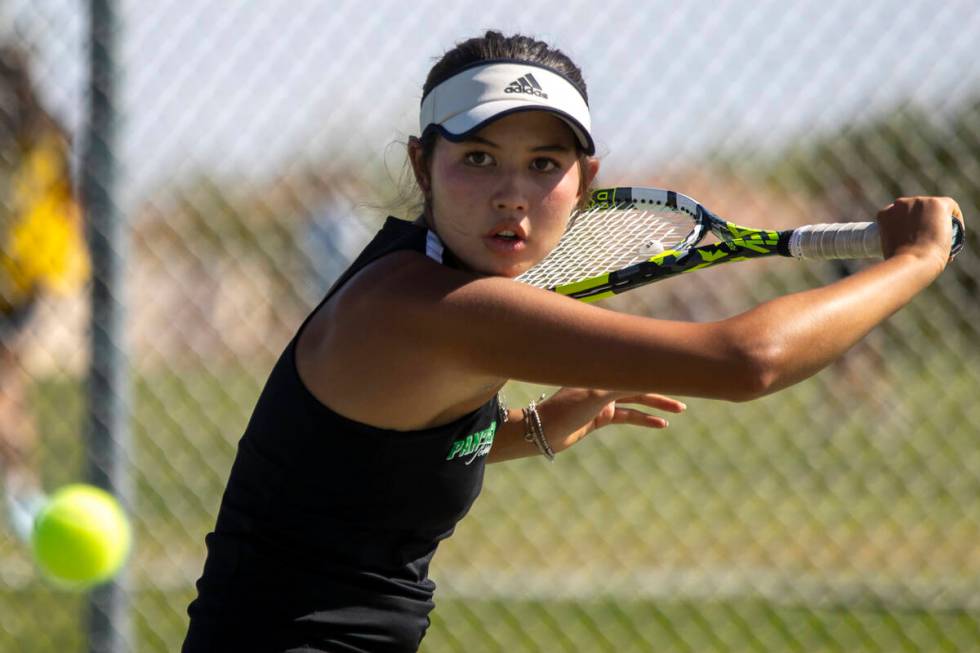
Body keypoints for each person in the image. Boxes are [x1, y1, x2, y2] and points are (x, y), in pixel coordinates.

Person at [182, 31, 964, 652]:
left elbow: (362, 457)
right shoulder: (427, 306)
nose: (511, 194)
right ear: (423, 162)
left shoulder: (425, 275)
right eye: (478, 158)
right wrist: (916, 261)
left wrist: (530, 429)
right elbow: (744, 361)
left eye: (544, 164)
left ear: (584, 182)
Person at [0, 45, 89, 541]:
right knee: (9, 389)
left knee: (7, 388)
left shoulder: (38, 137)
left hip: (20, 279)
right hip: (25, 274)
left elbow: (67, 203)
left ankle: (22, 493)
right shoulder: (41, 135)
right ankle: (21, 491)